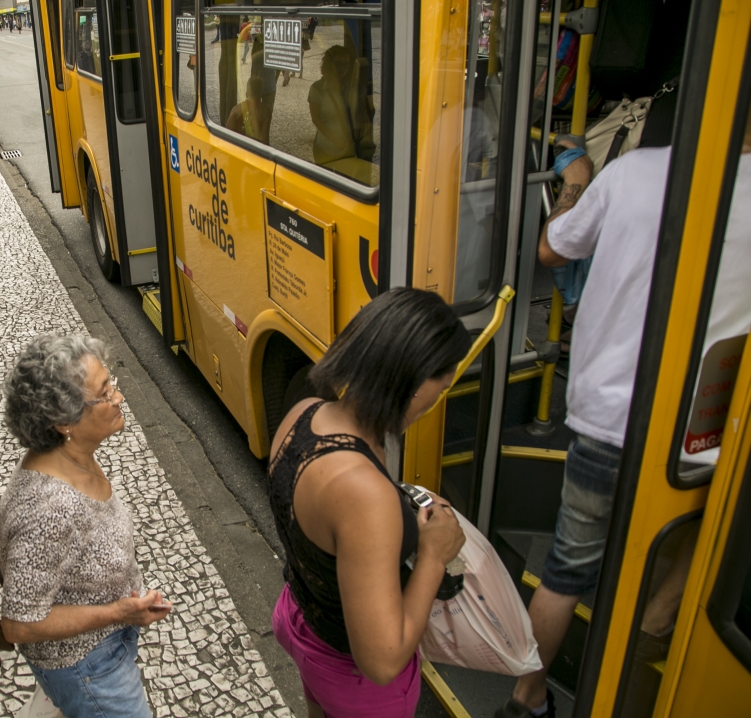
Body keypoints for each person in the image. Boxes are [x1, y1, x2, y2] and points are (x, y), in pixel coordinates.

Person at [496, 121, 751, 718]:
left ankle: (526, 699)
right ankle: (638, 660)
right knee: (686, 555)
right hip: (705, 433)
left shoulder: (634, 171)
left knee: (566, 568)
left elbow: (553, 247)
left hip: (604, 417)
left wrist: (577, 178)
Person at [269, 287, 470, 718]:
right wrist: (434, 555)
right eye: (440, 388)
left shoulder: (303, 412)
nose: (435, 402)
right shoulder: (365, 494)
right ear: (412, 382)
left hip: (300, 620)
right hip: (354, 681)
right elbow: (381, 662)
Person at [0, 334, 170, 718]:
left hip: (105, 651)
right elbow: (19, 624)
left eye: (112, 384)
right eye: (104, 394)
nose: (119, 398)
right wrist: (119, 612)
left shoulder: (72, 454)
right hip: (90, 668)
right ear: (63, 422)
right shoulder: (48, 508)